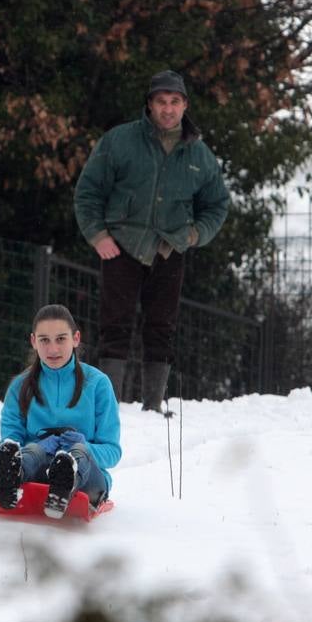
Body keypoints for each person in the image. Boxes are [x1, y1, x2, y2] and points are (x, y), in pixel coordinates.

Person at [74, 69, 230, 413]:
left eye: (175, 102)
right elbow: (87, 192)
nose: (168, 109)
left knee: (162, 326)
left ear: (185, 105)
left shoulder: (200, 155)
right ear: (149, 104)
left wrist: (194, 235)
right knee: (114, 324)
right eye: (161, 101)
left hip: (170, 250)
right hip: (121, 245)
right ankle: (107, 404)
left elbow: (217, 204)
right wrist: (97, 235)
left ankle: (154, 404)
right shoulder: (119, 141)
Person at [0, 304, 122, 518]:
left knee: (77, 454)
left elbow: (112, 451)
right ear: (34, 341)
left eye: (61, 339)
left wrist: (83, 448)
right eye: (44, 340)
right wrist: (38, 448)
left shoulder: (98, 384)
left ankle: (66, 477)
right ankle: (14, 475)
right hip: (37, 471)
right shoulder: (20, 386)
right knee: (33, 451)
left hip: (88, 480)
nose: (53, 349)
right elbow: (10, 441)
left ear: (76, 338)